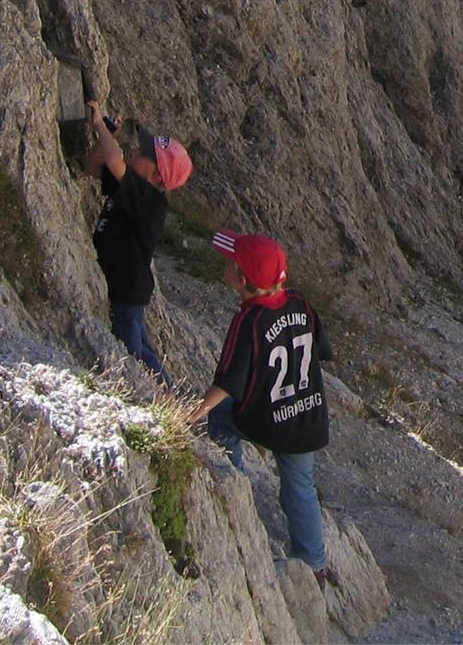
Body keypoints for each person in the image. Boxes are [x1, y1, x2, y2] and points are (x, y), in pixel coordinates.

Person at [189, 231, 336, 587]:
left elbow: (228, 383)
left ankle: (235, 486)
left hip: (270, 418)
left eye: (230, 264)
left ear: (242, 280)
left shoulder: (250, 320)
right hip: (307, 415)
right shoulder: (301, 303)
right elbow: (323, 350)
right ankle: (314, 562)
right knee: (300, 486)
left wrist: (192, 412)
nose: (225, 267)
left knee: (222, 418)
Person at [86, 103, 192, 384]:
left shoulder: (149, 201)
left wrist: (99, 127)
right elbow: (95, 165)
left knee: (132, 351)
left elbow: (112, 156)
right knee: (140, 345)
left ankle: (166, 394)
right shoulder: (131, 187)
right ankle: (169, 393)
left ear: (157, 176)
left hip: (127, 288)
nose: (134, 150)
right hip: (127, 286)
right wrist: (107, 134)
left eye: (144, 154)